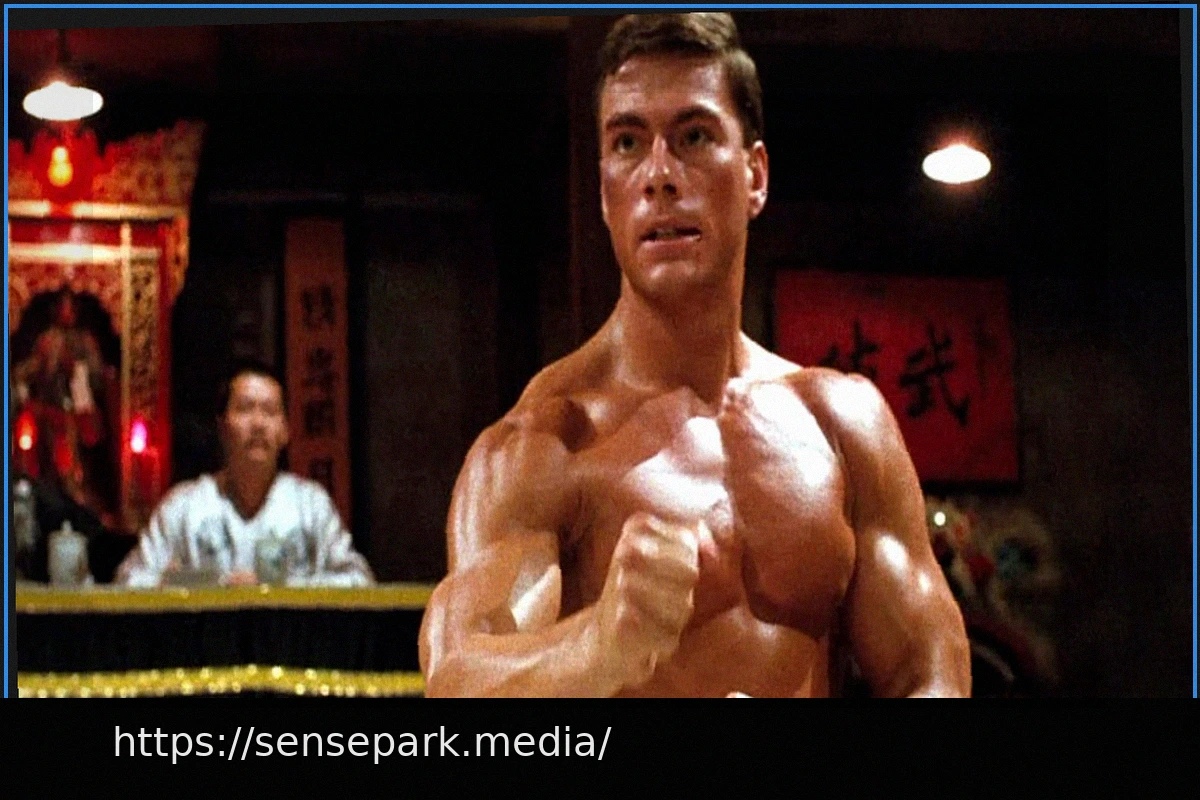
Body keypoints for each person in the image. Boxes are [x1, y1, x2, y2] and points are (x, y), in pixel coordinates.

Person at [418, 13, 970, 697]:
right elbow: (457, 680)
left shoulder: (841, 424)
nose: (659, 175)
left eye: (694, 136)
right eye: (627, 143)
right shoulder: (546, 445)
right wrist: (598, 646)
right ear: (604, 192)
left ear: (756, 175)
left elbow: (929, 670)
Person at [116, 361, 373, 588]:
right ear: (222, 426)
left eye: (270, 411)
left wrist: (281, 588)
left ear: (285, 430)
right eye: (245, 408)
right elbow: (128, 580)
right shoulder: (184, 506)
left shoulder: (310, 505)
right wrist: (184, 583)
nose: (258, 424)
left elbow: (359, 580)